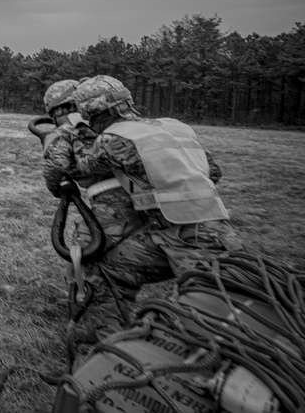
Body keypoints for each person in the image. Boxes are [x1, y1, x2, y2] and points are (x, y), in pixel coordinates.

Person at [69, 75, 243, 339]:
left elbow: (84, 166)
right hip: (196, 231)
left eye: (89, 117)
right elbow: (214, 171)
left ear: (93, 112)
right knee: (110, 267)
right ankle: (109, 337)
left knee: (207, 315)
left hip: (195, 238)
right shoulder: (177, 127)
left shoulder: (113, 137)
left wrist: (79, 135)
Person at [41, 80, 144, 342]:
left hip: (113, 203)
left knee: (84, 257)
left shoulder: (71, 127)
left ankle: (94, 327)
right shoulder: (120, 122)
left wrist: (58, 187)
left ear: (57, 110)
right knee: (122, 262)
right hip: (150, 200)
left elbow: (56, 166)